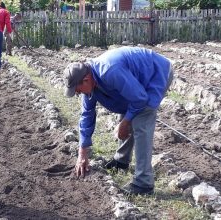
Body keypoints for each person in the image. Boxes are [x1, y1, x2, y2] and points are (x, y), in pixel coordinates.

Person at [63, 47, 173, 195]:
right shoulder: (89, 83)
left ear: (86, 80)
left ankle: (143, 183)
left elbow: (140, 99)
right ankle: (121, 161)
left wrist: (126, 122)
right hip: (135, 82)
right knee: (127, 110)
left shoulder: (109, 71)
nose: (78, 94)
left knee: (141, 121)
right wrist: (82, 152)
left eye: (78, 90)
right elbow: (86, 115)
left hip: (155, 74)